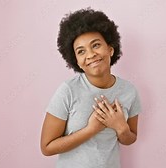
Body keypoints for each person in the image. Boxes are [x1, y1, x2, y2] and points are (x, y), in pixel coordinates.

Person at [40, 8, 141, 168]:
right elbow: (47, 147)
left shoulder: (129, 91)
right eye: (81, 51)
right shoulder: (68, 90)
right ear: (77, 62)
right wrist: (91, 129)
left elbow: (130, 138)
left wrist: (121, 128)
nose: (90, 54)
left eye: (96, 45)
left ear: (110, 49)